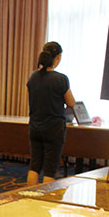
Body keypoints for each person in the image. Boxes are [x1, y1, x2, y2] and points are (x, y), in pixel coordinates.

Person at [25, 42, 76, 186]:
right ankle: (45, 198)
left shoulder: (33, 76)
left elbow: (31, 98)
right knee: (49, 170)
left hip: (35, 126)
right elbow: (71, 103)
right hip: (53, 129)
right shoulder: (61, 79)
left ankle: (28, 196)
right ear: (58, 57)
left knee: (34, 166)